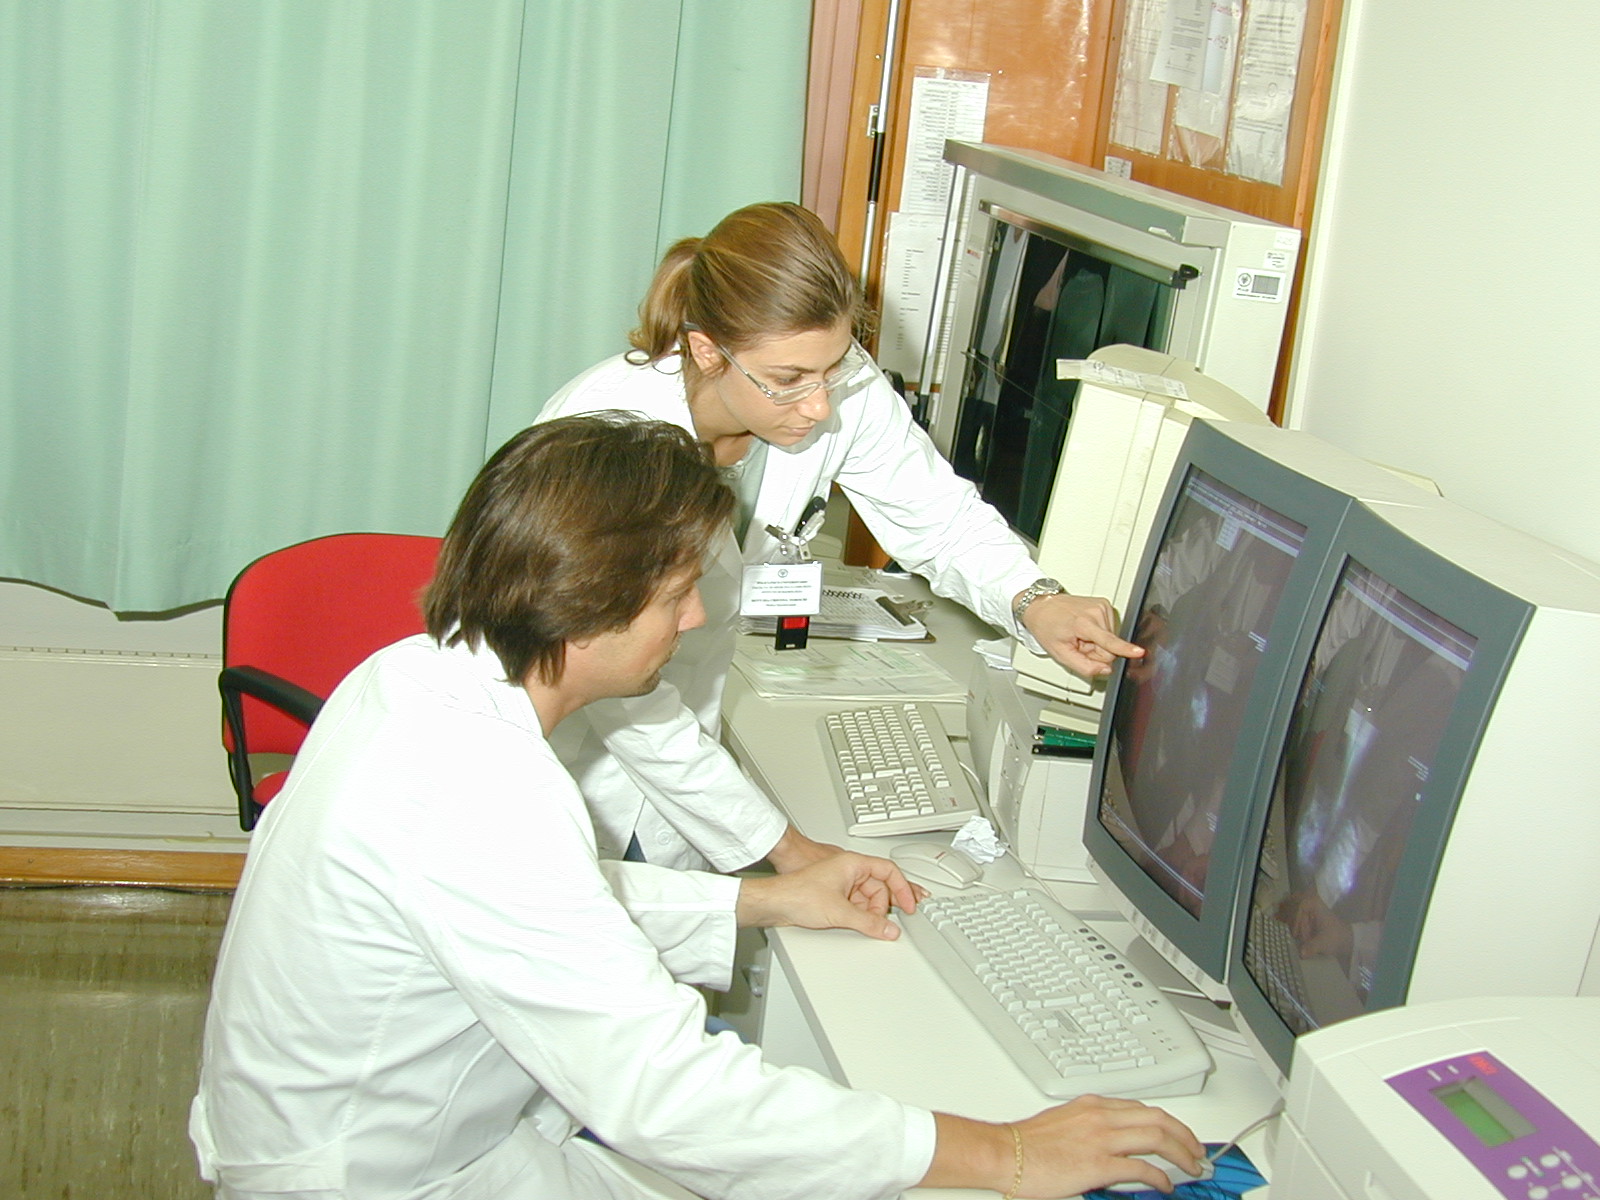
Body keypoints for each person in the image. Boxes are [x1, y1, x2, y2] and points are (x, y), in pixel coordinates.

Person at [189, 414, 1204, 1200]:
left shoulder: (414, 675)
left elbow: (550, 904)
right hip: (375, 1176)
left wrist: (768, 899)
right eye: (677, 592)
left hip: (419, 1130)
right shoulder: (482, 787)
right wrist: (1011, 1152)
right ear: (588, 605)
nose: (696, 615)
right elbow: (663, 1093)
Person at [538, 202, 1143, 875]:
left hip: (684, 739)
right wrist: (784, 849)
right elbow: (617, 685)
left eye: (835, 370)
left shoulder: (823, 374)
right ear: (708, 351)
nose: (820, 405)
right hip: (580, 762)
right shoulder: (605, 439)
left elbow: (935, 513)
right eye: (789, 381)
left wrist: (1035, 600)